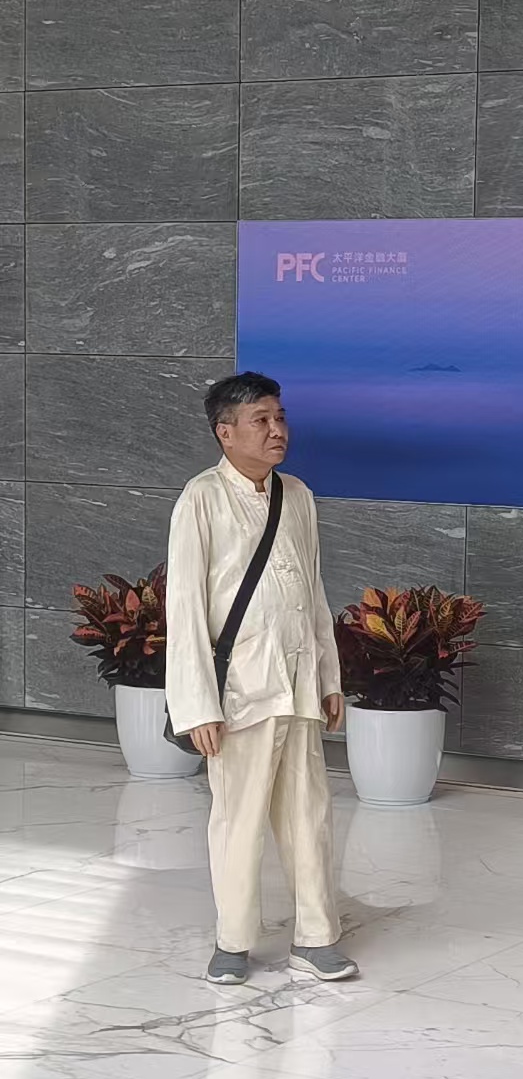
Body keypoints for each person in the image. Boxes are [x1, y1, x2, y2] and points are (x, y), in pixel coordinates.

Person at [164, 372, 359, 988]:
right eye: (261, 421)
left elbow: (314, 592)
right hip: (239, 690)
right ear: (225, 433)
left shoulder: (296, 495)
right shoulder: (201, 499)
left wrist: (328, 675)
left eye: (280, 418)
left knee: (309, 814)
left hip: (297, 680)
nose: (277, 431)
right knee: (238, 820)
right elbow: (185, 608)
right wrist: (197, 705)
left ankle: (316, 936)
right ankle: (233, 942)